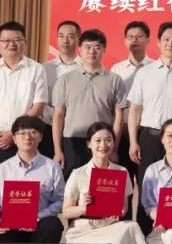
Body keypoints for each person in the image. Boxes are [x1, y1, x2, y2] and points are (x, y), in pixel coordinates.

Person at [0, 21, 49, 208]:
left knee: (21, 195)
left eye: (17, 40)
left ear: (25, 43)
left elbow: (38, 106)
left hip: (24, 140)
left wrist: (13, 134)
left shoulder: (36, 69)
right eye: (6, 40)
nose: (11, 44)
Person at [62, 122, 151, 244]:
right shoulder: (78, 173)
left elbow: (124, 208)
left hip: (110, 225)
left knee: (132, 227)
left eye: (108, 140)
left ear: (114, 143)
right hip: (84, 228)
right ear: (89, 144)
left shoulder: (121, 172)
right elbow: (66, 212)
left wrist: (118, 212)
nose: (103, 145)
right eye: (98, 140)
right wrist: (84, 207)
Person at [127, 22, 172, 190]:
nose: (170, 44)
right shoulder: (144, 73)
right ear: (159, 42)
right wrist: (133, 142)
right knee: (148, 187)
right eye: (166, 39)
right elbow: (135, 110)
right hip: (150, 139)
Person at [50, 29, 125, 178]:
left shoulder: (115, 80)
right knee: (71, 186)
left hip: (102, 143)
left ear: (104, 50)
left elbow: (119, 117)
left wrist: (114, 149)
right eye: (87, 47)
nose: (92, 51)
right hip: (72, 142)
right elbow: (58, 116)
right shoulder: (65, 80)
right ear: (80, 49)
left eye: (97, 47)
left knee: (101, 186)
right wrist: (58, 150)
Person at [0, 116, 65, 244]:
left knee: (53, 225)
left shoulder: (52, 167)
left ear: (40, 137)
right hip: (11, 226)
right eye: (22, 133)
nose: (28, 137)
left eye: (33, 132)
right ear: (14, 139)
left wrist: (39, 216)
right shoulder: (2, 169)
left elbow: (60, 200)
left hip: (39, 223)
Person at [111, 20, 155, 184]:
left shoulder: (155, 68)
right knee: (121, 184)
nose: (134, 40)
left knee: (148, 182)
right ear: (125, 41)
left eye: (139, 36)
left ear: (148, 40)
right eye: (130, 37)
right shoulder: (116, 69)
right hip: (121, 133)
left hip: (146, 133)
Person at [42, 20, 82, 130]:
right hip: (48, 126)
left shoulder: (86, 68)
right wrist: (56, 116)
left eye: (70, 36)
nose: (65, 40)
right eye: (61, 36)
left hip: (77, 126)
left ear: (78, 39)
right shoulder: (44, 68)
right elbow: (40, 100)